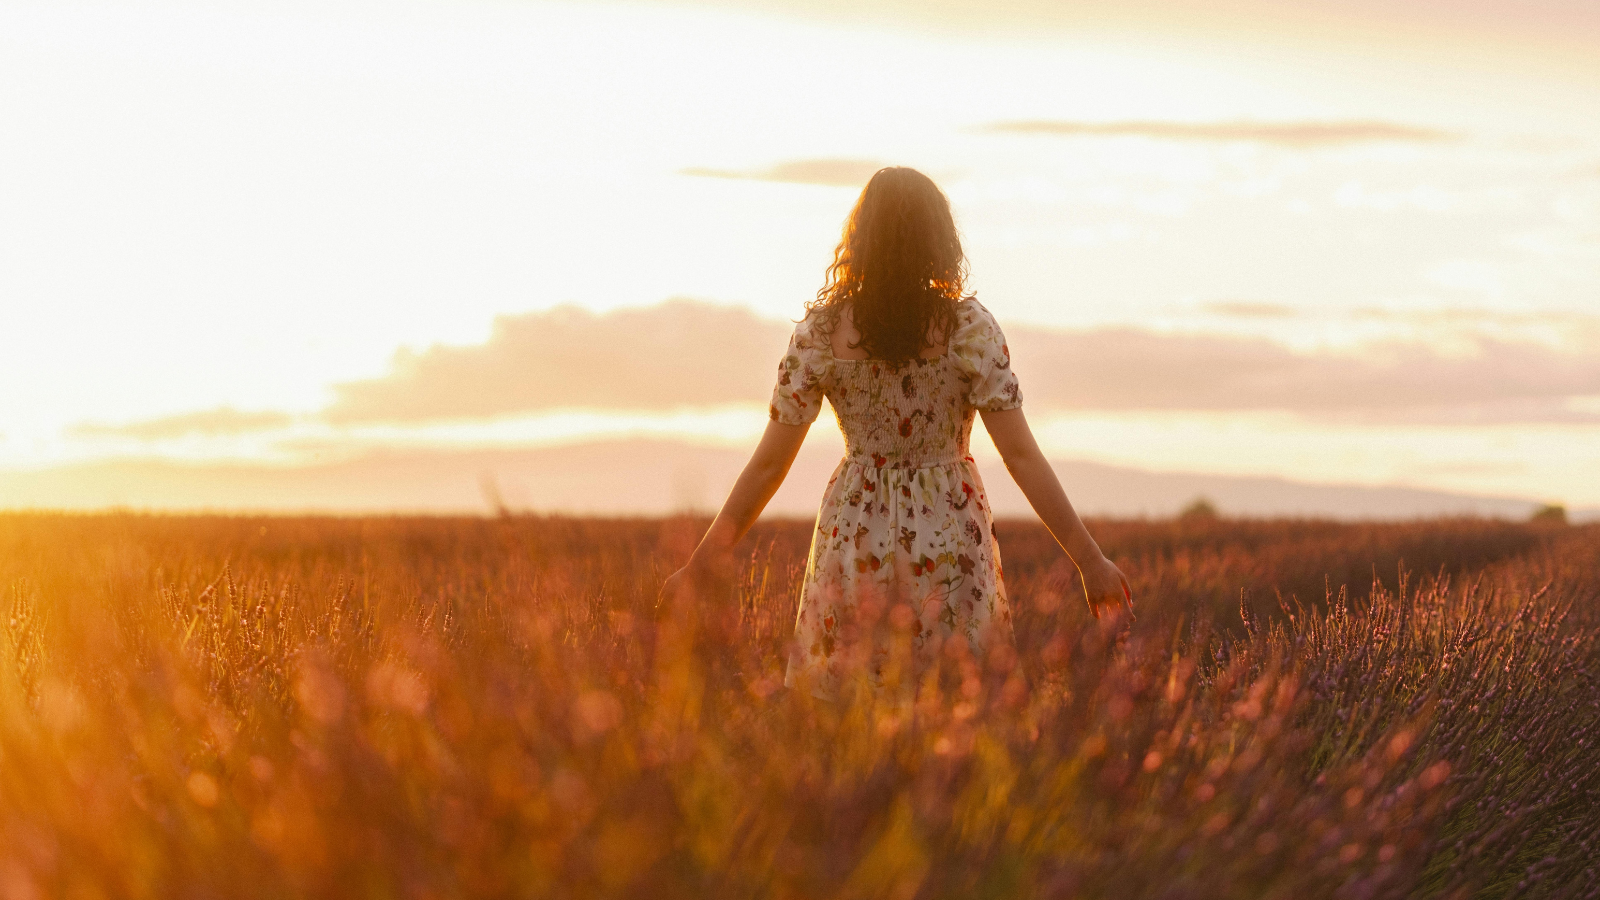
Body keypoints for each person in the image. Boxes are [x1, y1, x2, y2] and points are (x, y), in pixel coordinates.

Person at [661, 166, 1131, 699]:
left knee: (846, 709)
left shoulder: (820, 334)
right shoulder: (969, 330)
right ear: (940, 240)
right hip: (950, 536)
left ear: (859, 239)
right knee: (956, 706)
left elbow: (769, 465)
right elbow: (1021, 456)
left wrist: (699, 566)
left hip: (853, 536)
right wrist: (1090, 562)